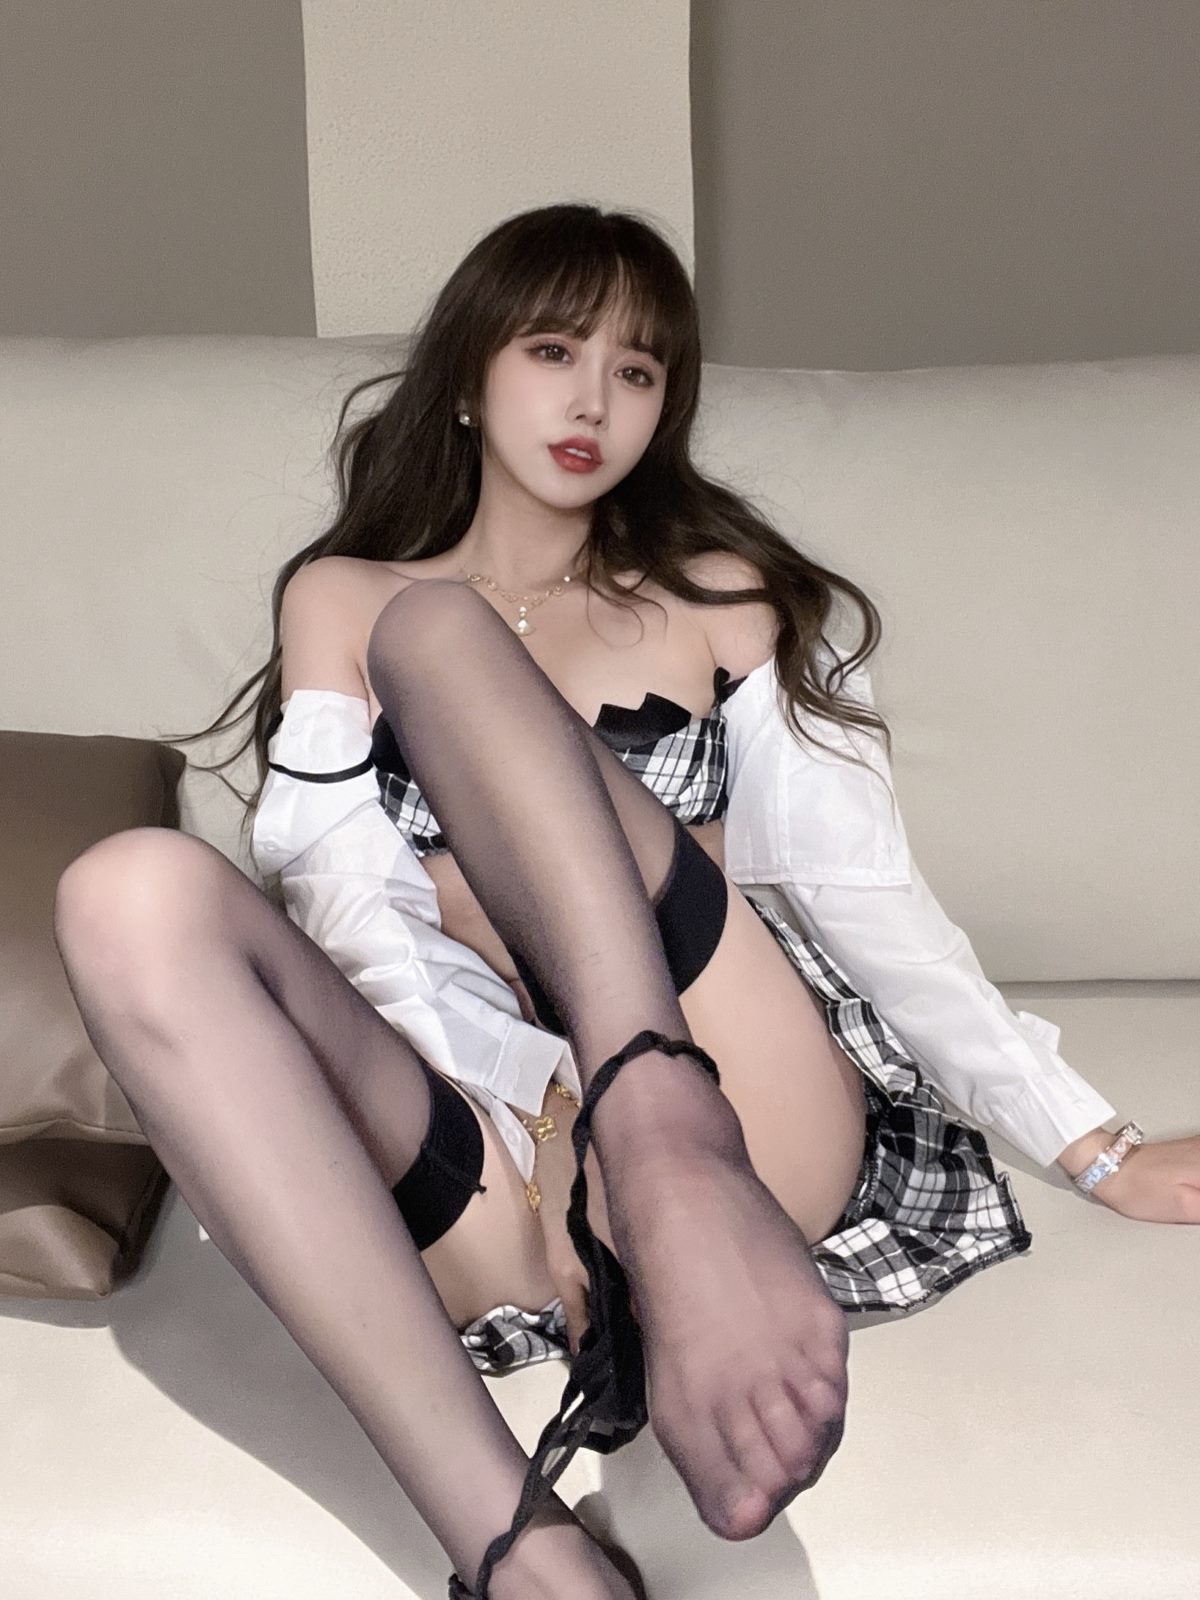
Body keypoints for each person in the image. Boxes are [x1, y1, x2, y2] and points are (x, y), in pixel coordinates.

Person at [51, 202, 1188, 1600]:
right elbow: (351, 918)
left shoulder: (719, 601)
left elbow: (864, 902)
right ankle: (519, 1553)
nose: (594, 400)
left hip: (736, 1110)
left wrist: (1093, 1146)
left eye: (637, 371)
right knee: (126, 891)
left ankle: (663, 1149)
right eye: (552, 351)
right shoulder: (340, 597)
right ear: (468, 378)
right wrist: (524, 1122)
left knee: (442, 640)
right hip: (490, 1158)